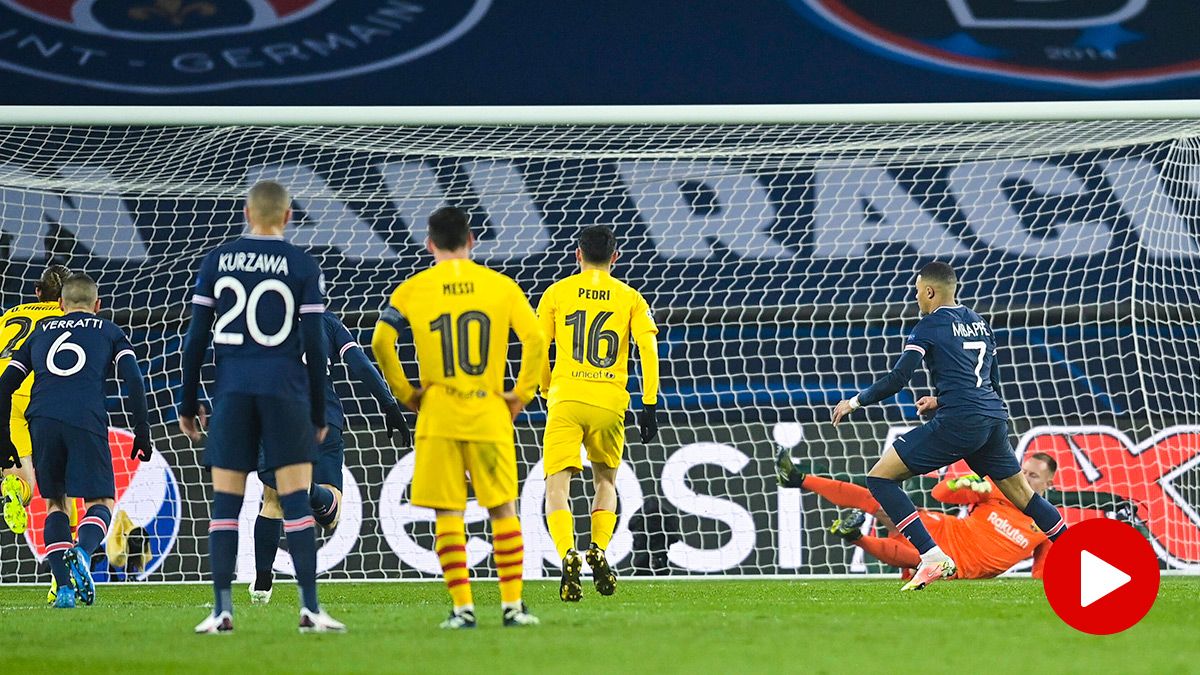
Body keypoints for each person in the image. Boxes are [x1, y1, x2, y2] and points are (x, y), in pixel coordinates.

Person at [830, 262, 1067, 590]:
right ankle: (1078, 553)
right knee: (1026, 498)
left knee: (880, 478)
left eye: (917, 291)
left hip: (960, 422)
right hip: (993, 419)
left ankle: (930, 555)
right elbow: (988, 382)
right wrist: (940, 400)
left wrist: (854, 402)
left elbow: (899, 378)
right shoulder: (980, 323)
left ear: (929, 291)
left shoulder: (928, 326)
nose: (916, 297)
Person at [179, 180, 343, 634]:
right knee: (294, 500)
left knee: (226, 505)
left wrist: (188, 401)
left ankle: (221, 611)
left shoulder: (218, 260)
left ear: (247, 213)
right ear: (288, 216)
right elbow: (313, 340)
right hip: (284, 394)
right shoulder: (301, 264)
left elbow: (195, 340)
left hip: (232, 393)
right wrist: (316, 412)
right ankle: (310, 609)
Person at [371, 206, 546, 629]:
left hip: (439, 414)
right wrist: (520, 394)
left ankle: (463, 610)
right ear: (471, 240)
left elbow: (381, 340)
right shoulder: (500, 287)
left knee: (448, 513)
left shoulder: (413, 289)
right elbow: (537, 337)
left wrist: (407, 392)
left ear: (429, 244)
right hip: (488, 412)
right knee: (503, 508)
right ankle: (512, 607)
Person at [0, 273, 151, 608]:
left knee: (55, 504)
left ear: (60, 305)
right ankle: (82, 552)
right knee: (101, 501)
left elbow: (5, 384)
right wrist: (142, 429)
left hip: (41, 418)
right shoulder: (110, 331)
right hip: (86, 417)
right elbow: (134, 379)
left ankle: (64, 591)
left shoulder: (40, 332)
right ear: (98, 305)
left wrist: (2, 438)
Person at [250, 309, 408, 604]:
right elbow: (360, 364)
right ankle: (309, 490)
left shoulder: (262, 320)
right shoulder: (326, 322)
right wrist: (389, 405)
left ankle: (262, 583)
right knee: (331, 516)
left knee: (273, 499)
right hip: (324, 417)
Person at [536, 225, 660, 602]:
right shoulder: (631, 298)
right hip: (610, 402)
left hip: (566, 398)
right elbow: (648, 351)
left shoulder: (556, 293)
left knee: (557, 486)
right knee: (605, 482)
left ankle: (566, 554)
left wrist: (545, 388)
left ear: (577, 254)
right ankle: (599, 549)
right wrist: (649, 405)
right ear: (615, 257)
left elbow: (539, 347)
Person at [777, 451, 1058, 579]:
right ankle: (797, 478)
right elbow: (940, 494)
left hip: (962, 567)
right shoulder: (994, 489)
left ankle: (855, 536)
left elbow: (1040, 576)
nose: (1024, 478)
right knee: (883, 503)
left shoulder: (1046, 526)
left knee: (922, 561)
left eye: (1034, 476)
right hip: (945, 529)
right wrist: (961, 483)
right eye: (1023, 471)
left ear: (1049, 484)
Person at [0, 264, 72, 539]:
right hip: (42, 395)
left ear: (37, 291)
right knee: (60, 482)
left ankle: (13, 491)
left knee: (22, 481)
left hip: (5, 397)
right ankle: (68, 547)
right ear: (66, 297)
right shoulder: (66, 317)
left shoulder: (9, 315)